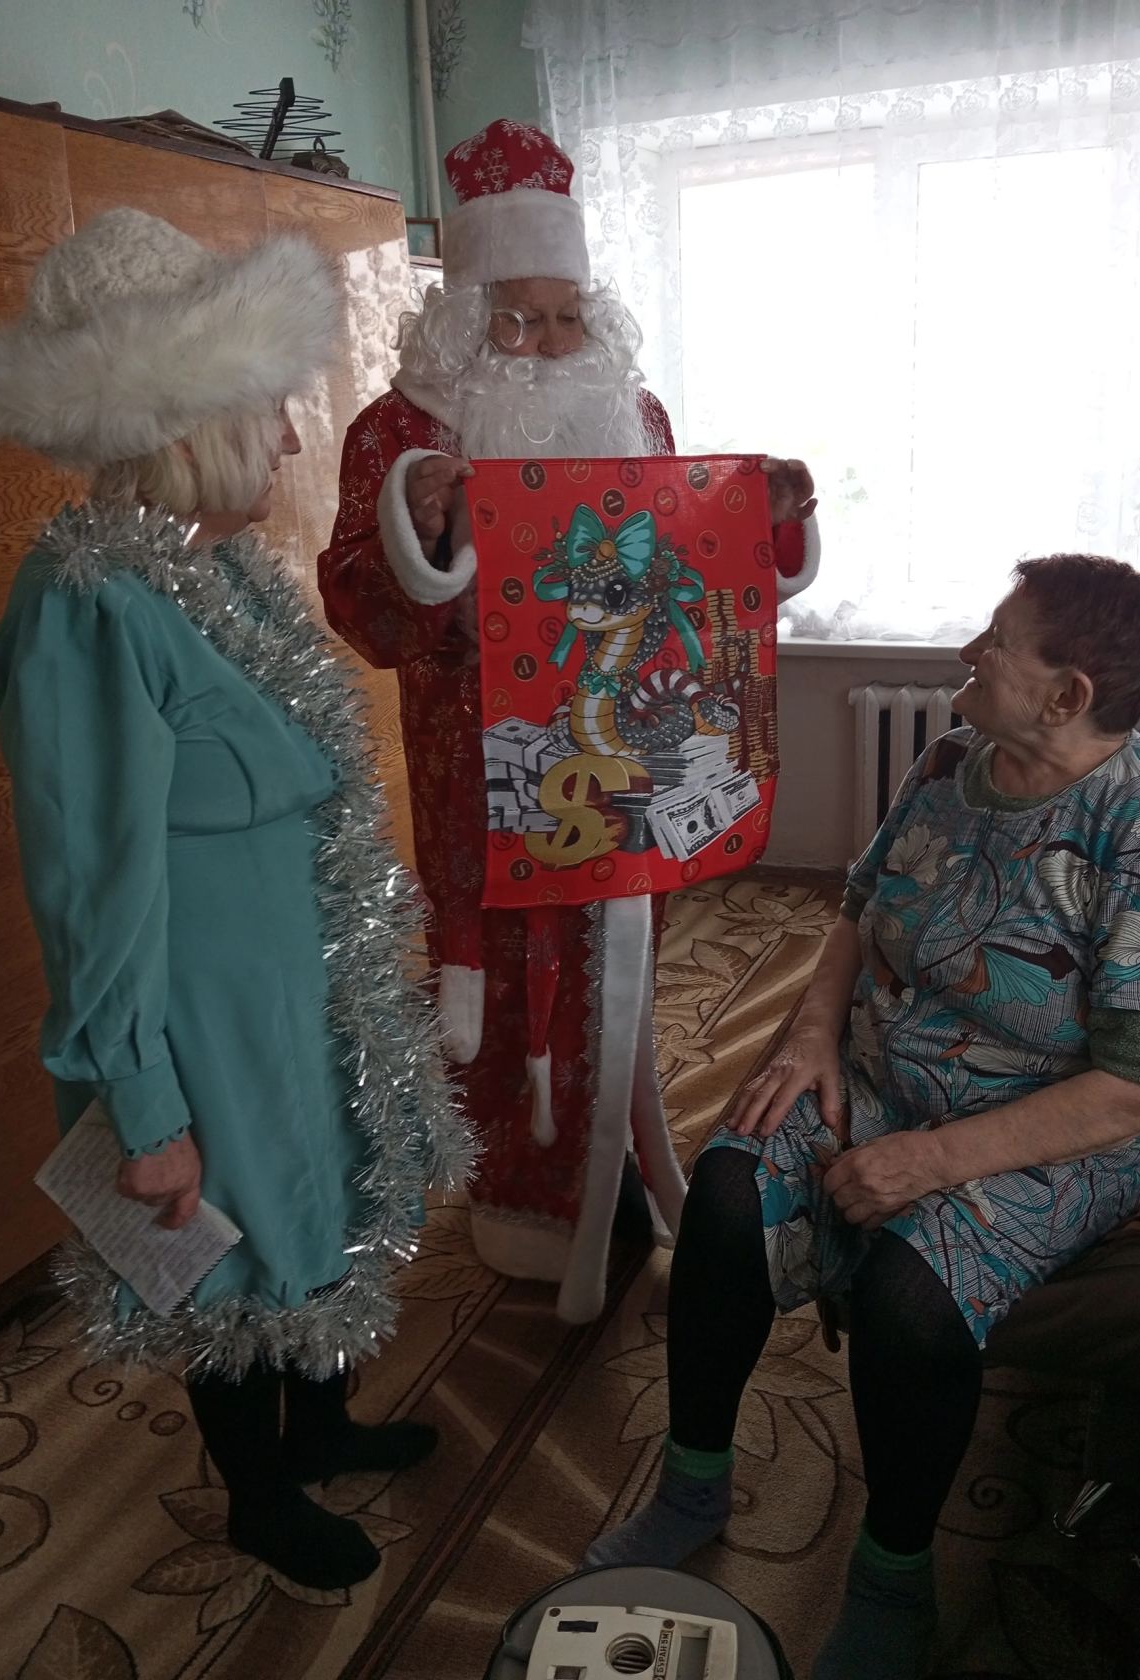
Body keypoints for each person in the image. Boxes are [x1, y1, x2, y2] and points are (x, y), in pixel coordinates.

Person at [583, 555, 1140, 1679]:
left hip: (1058, 1122)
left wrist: (926, 1162)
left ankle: (893, 1580)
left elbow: (1139, 1087)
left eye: (996, 640)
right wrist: (807, 1036)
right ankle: (692, 1486)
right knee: (728, 1195)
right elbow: (856, 905)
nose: (968, 653)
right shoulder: (947, 761)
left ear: (1066, 694)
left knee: (910, 1294)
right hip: (891, 1069)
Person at [0, 209, 471, 1592]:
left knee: (323, 1211)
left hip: (297, 999)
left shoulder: (219, 572)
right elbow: (89, 887)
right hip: (198, 1026)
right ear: (190, 421)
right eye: (271, 412)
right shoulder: (87, 605)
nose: (294, 444)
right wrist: (143, 1109)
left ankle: (322, 1429)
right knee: (225, 1257)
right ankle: (260, 1495)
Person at [319, 118, 821, 1321]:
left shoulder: (631, 411)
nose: (547, 343)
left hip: (621, 754)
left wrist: (774, 514)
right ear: (465, 317)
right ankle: (526, 1207)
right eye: (517, 319)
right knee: (501, 992)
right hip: (477, 776)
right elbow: (362, 605)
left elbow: (690, 555)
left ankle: (615, 1168)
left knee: (618, 970)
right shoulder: (398, 431)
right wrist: (417, 530)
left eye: (564, 317)